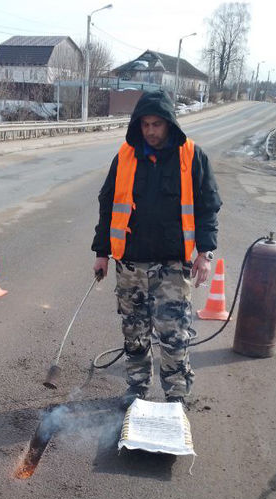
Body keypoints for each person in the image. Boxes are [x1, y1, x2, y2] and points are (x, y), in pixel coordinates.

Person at [91, 90, 222, 407]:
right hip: (130, 265)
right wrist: (101, 253)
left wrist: (205, 254)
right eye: (145, 124)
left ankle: (176, 392)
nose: (151, 130)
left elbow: (208, 208)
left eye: (157, 124)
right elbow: (108, 207)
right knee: (134, 333)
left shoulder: (192, 157)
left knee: (173, 334)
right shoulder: (124, 157)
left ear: (169, 124)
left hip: (172, 266)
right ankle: (136, 387)